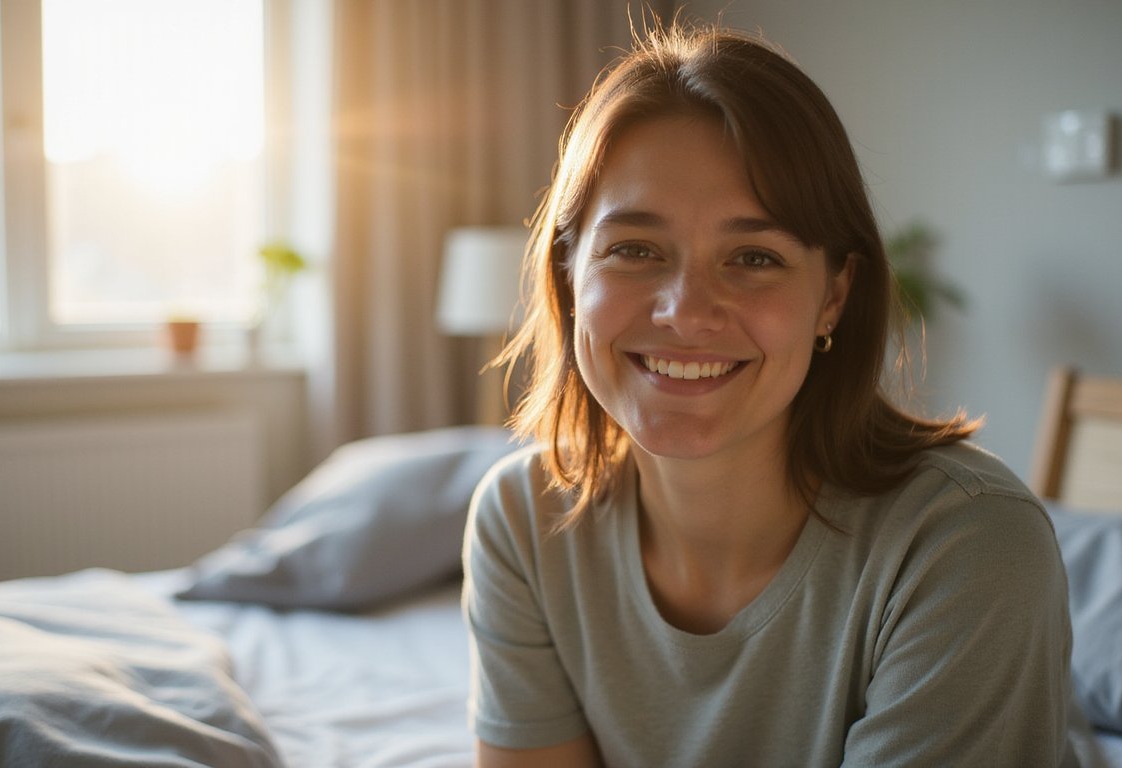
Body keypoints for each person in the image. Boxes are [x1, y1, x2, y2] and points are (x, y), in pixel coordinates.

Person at [461, 21, 1079, 768]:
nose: (685, 312)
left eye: (754, 257)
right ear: (567, 277)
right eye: (634, 250)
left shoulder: (966, 549)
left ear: (834, 297)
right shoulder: (522, 522)